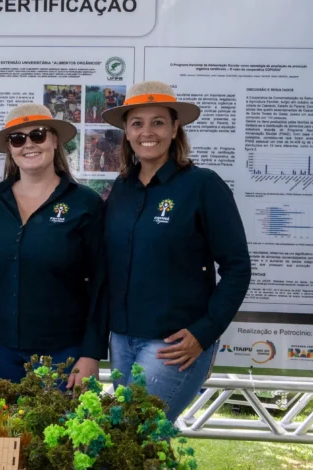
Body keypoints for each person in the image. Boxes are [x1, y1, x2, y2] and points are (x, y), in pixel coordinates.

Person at [101, 81, 251, 422]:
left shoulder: (202, 185)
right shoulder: (121, 189)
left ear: (174, 128)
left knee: (135, 435)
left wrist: (205, 330)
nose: (147, 132)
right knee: (132, 445)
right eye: (137, 123)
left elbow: (237, 266)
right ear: (126, 131)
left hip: (173, 344)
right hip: (122, 340)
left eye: (158, 121)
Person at [0, 103, 109, 388]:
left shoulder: (85, 204)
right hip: (0, 350)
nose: (28, 144)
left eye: (39, 135)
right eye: (18, 139)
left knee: (58, 433)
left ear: (55, 140)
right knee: (6, 433)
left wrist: (91, 354)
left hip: (64, 354)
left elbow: (102, 284)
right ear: (10, 148)